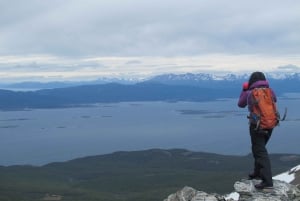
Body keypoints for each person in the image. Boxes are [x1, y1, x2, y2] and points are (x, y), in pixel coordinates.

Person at [238, 71, 276, 190]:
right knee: (258, 148)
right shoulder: (270, 91)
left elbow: (240, 104)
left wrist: (244, 89)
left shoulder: (250, 92)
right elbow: (274, 100)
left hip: (257, 126)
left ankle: (267, 180)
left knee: (260, 151)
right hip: (270, 125)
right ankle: (257, 172)